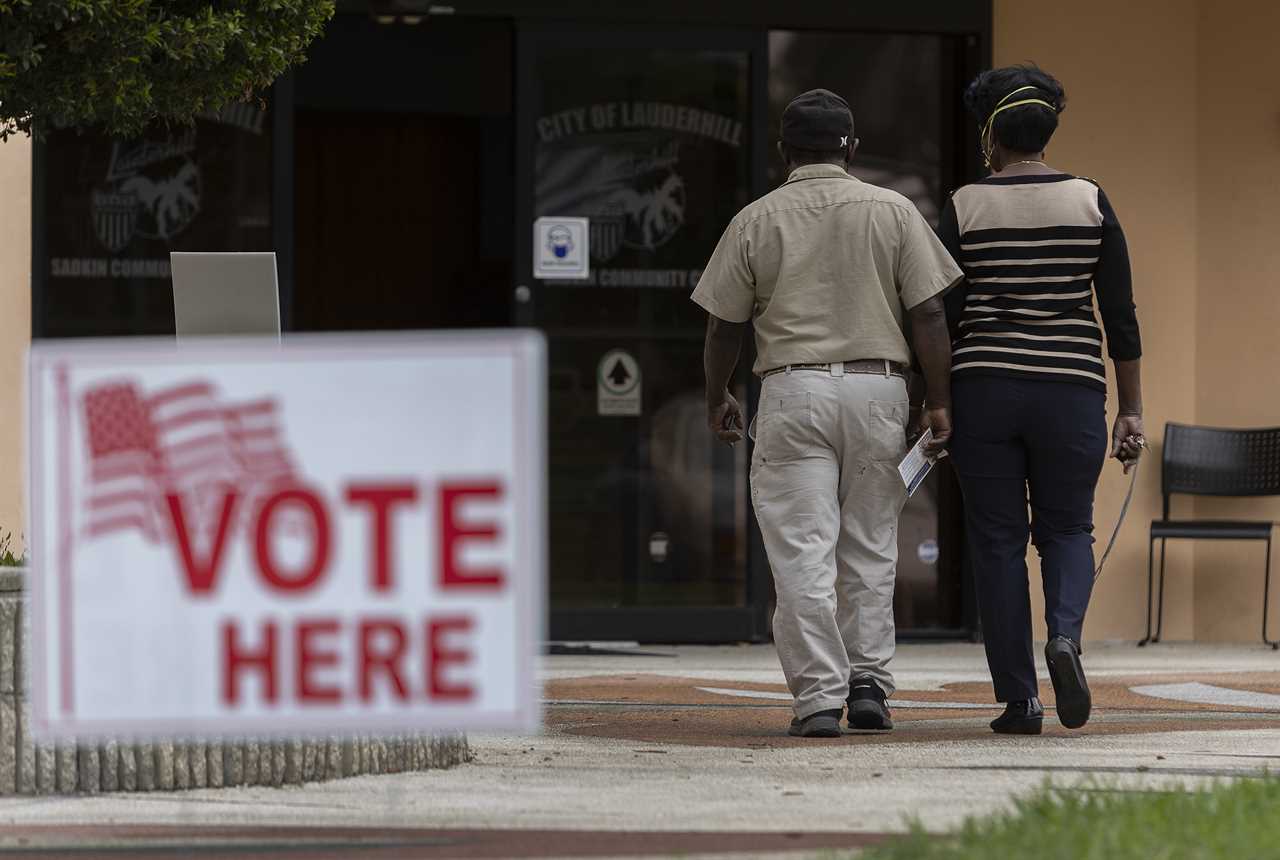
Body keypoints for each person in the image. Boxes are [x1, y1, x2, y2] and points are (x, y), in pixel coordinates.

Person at [693, 89, 961, 738]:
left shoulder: (756, 218)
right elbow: (928, 314)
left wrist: (718, 394)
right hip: (878, 392)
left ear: (786, 151)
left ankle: (817, 696)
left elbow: (725, 324)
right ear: (852, 147)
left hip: (792, 393)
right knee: (870, 549)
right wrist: (938, 400)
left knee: (801, 554)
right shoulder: (894, 211)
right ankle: (869, 683)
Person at [937, 65, 1145, 734]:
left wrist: (932, 401)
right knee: (1067, 529)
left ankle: (1020, 701)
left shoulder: (966, 204)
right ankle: (1064, 639)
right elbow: (1121, 315)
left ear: (993, 136)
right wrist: (1131, 410)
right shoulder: (1089, 199)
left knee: (997, 543)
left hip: (985, 390)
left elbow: (946, 315)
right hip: (1072, 392)